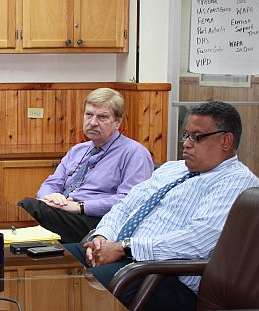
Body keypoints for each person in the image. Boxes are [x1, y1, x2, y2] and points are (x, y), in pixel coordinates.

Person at [64, 101, 259, 310]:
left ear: (226, 141)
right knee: (46, 262)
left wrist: (124, 248)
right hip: (120, 256)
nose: (186, 143)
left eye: (197, 137)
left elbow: (197, 240)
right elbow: (125, 206)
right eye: (186, 135)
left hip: (162, 275)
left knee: (76, 286)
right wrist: (101, 238)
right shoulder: (172, 169)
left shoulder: (237, 182)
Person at [18, 88, 153, 243]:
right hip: (64, 212)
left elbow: (131, 201)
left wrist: (81, 206)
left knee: (26, 207)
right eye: (89, 115)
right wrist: (50, 197)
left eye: (102, 117)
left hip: (99, 223)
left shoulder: (134, 152)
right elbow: (51, 183)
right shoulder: (78, 150)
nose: (93, 122)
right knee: (23, 216)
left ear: (118, 122)